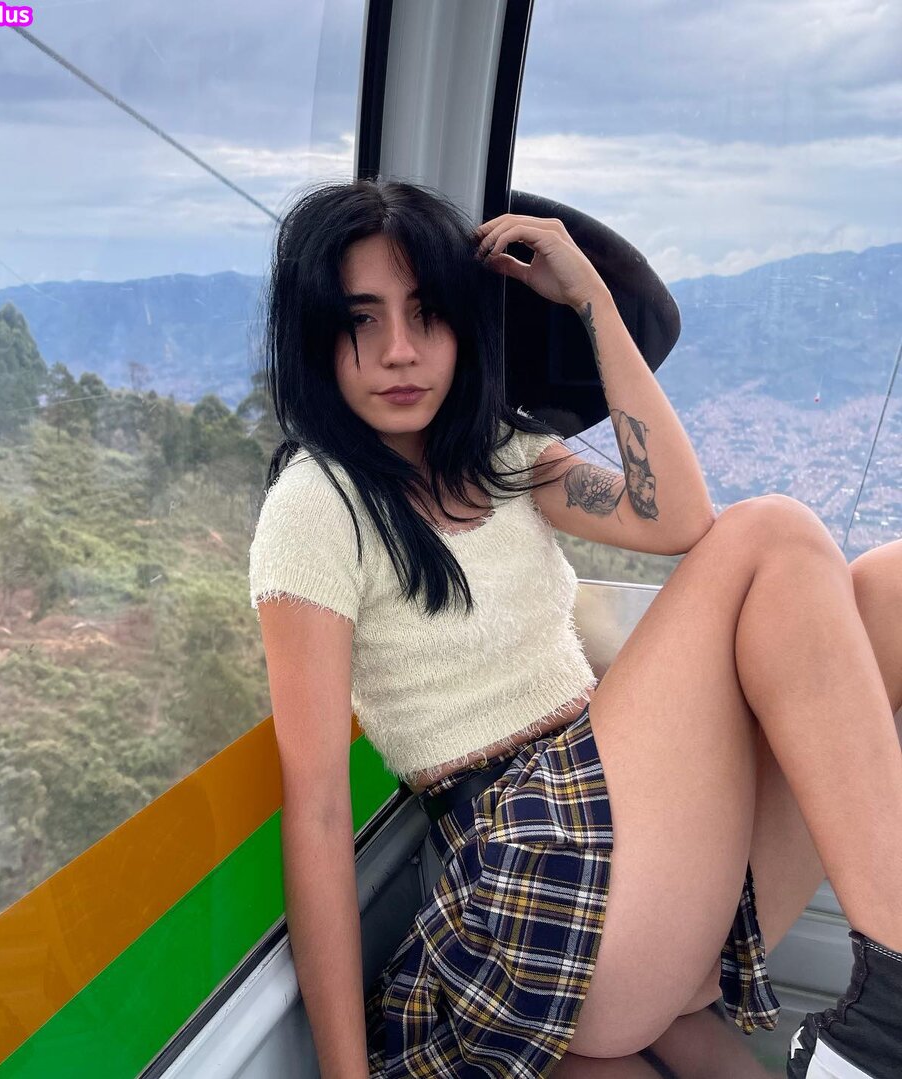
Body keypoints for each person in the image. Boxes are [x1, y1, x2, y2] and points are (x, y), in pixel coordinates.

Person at [248, 177, 902, 1079]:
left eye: (427, 314)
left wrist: (590, 295)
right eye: (363, 320)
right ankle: (892, 1005)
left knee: (889, 587)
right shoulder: (317, 507)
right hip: (529, 873)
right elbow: (319, 810)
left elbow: (677, 516)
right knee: (775, 531)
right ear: (316, 338)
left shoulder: (499, 456)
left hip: (631, 837)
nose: (399, 350)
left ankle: (878, 993)